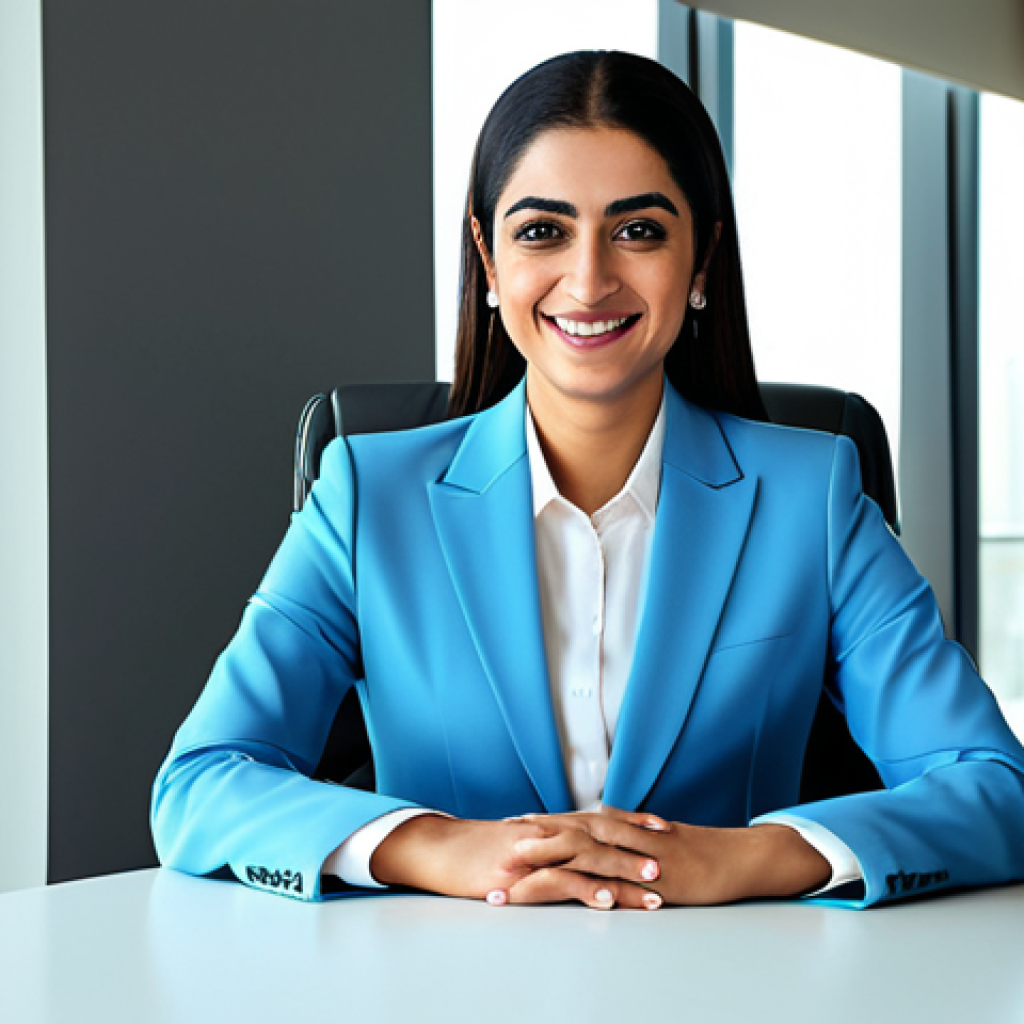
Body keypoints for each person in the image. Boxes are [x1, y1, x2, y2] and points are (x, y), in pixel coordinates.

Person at [151, 51, 1024, 910]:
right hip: (437, 987)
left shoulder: (813, 495)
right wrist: (435, 845)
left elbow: (993, 786)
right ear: (489, 264)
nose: (590, 278)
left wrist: (753, 858)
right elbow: (200, 784)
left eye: (639, 230)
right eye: (542, 231)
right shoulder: (364, 494)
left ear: (703, 261)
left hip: (734, 986)